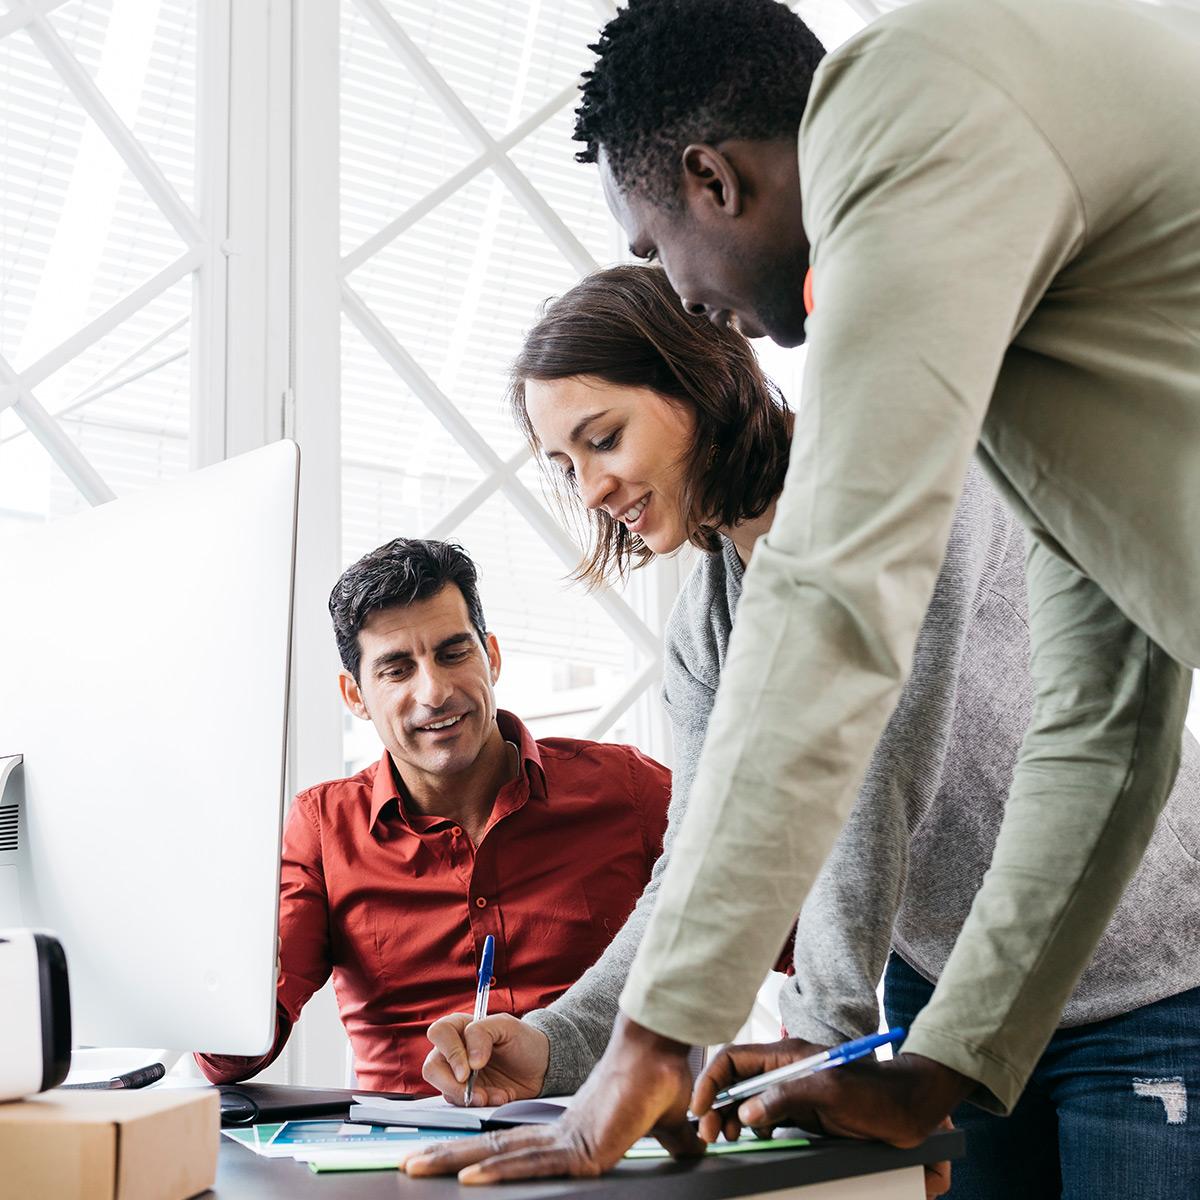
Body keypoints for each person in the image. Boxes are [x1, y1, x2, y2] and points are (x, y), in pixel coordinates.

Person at [405, 0, 1200, 1184]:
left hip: (1144, 983)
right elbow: (1108, 724)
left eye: (651, 244)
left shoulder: (904, 100)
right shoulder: (1023, 359)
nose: (679, 288)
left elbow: (841, 623)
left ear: (711, 178)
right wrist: (942, 1064)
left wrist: (663, 1039)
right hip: (976, 998)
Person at [195, 537, 670, 1094]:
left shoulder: (628, 788)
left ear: (490, 656)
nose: (435, 691)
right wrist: (221, 967)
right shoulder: (324, 829)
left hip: (615, 1147)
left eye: (453, 653)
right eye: (396, 669)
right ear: (355, 695)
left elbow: (790, 927)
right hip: (405, 1163)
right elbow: (236, 1053)